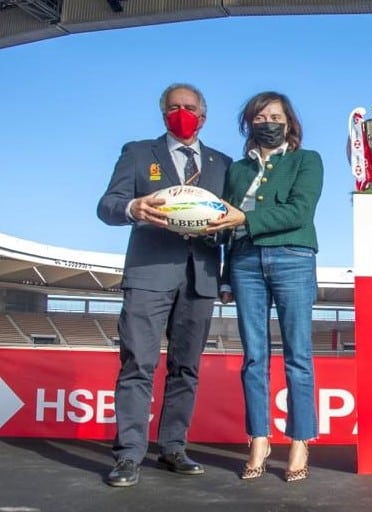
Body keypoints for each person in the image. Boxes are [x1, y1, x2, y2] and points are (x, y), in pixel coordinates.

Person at [97, 83, 232, 487]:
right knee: (138, 363)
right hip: (149, 273)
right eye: (173, 107)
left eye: (189, 108)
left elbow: (232, 221)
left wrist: (224, 273)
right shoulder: (138, 153)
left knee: (186, 368)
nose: (182, 113)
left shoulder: (223, 163)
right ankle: (129, 455)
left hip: (201, 278)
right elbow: (107, 206)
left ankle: (173, 447)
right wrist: (131, 207)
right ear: (162, 114)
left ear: (203, 116)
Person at [206, 91, 323, 482]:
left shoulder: (307, 161)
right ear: (249, 124)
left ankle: (300, 440)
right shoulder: (237, 169)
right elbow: (224, 224)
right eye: (260, 117)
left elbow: (299, 211)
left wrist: (244, 218)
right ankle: (259, 436)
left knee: (298, 355)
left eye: (275, 116)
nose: (268, 122)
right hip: (244, 262)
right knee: (254, 356)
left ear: (289, 122)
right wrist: (224, 275)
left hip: (293, 257)